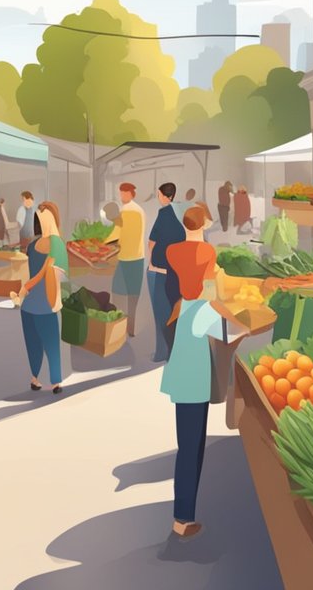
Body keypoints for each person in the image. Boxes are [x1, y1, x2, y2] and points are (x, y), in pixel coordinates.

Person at [161, 204, 235, 539]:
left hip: (181, 384)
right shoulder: (201, 311)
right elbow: (231, 334)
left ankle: (183, 515)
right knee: (191, 450)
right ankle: (182, 519)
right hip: (194, 386)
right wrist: (241, 322)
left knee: (187, 447)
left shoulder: (181, 309)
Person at [16, 202, 64, 394]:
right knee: (33, 342)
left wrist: (25, 287)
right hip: (30, 303)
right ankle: (35, 377)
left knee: (51, 343)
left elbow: (53, 274)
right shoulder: (33, 245)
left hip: (45, 302)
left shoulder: (57, 245)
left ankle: (56, 381)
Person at [147, 183, 187, 363]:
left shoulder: (163, 213)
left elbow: (152, 241)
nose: (158, 198)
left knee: (161, 313)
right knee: (175, 312)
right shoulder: (183, 213)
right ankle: (175, 351)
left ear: (165, 196)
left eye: (159, 195)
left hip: (160, 269)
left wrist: (151, 261)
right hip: (178, 270)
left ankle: (162, 353)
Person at [105, 183, 146, 339]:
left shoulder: (127, 212)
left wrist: (105, 244)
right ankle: (131, 329)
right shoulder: (139, 210)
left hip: (126, 258)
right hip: (137, 258)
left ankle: (120, 330)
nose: (122, 196)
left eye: (124, 193)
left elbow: (118, 234)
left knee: (119, 294)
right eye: (120, 193)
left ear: (131, 194)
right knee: (133, 296)